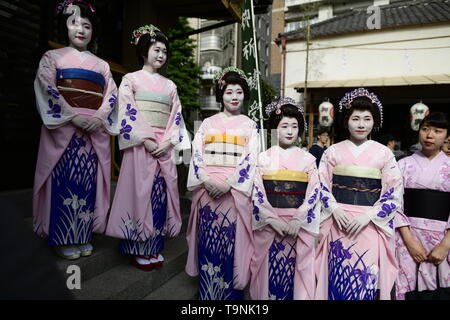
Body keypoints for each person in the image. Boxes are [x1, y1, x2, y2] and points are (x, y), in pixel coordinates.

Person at [33, 0, 118, 260]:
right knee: (64, 181)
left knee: (87, 182)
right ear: (65, 27)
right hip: (65, 128)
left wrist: (100, 117)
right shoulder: (52, 57)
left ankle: (82, 234)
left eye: (87, 25)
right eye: (74, 23)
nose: (81, 29)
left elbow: (111, 95)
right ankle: (62, 237)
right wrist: (73, 116)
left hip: (93, 129)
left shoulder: (102, 65)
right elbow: (47, 87)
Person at [105, 25, 190, 271]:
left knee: (159, 195)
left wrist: (167, 142)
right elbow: (127, 111)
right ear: (144, 51)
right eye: (156, 49)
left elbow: (176, 116)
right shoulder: (130, 80)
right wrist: (146, 138)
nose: (161, 55)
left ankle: (153, 246)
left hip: (162, 146)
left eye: (164, 51)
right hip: (141, 145)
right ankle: (136, 247)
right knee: (139, 193)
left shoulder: (170, 85)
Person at [315, 88, 403, 300]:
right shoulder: (332, 152)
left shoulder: (384, 154)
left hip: (370, 225)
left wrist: (369, 216)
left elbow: (393, 193)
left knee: (365, 278)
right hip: (338, 223)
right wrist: (334, 209)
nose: (361, 124)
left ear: (375, 121)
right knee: (337, 277)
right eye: (355, 118)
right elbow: (320, 186)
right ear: (346, 121)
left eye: (367, 118)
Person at [185, 67, 260, 300]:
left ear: (245, 95)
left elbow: (252, 158)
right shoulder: (207, 123)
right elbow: (195, 153)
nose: (234, 97)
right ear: (221, 95)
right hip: (208, 190)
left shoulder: (250, 126)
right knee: (208, 241)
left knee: (231, 242)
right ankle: (207, 292)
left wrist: (228, 183)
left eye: (239, 92)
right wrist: (206, 179)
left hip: (233, 194)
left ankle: (230, 295)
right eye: (229, 92)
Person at [249, 98, 320, 300]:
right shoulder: (263, 158)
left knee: (295, 277)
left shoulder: (308, 159)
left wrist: (298, 219)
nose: (290, 131)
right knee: (270, 276)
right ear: (274, 128)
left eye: (295, 126)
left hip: (298, 227)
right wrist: (271, 219)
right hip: (271, 225)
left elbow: (314, 193)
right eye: (284, 126)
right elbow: (257, 192)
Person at [394, 112, 450, 300]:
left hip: (443, 238)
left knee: (440, 290)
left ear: (446, 135)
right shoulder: (402, 165)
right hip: (406, 237)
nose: (429, 135)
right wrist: (409, 241)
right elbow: (394, 204)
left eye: (437, 131)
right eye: (425, 129)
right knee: (406, 288)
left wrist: (445, 245)